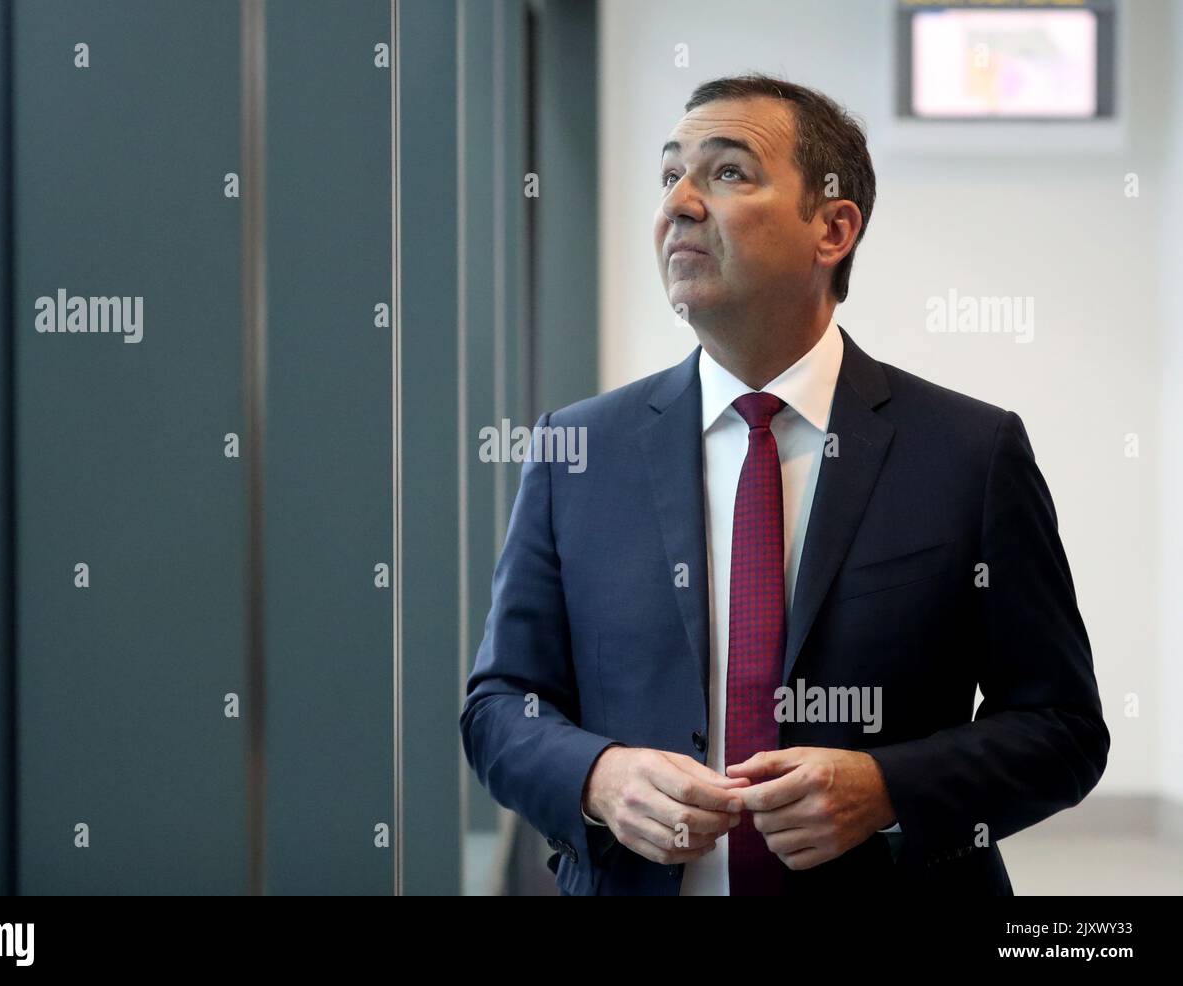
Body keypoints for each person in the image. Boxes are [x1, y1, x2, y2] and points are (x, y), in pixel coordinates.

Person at [459, 73, 1109, 895]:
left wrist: (887, 791)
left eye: (728, 173)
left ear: (833, 228)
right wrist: (600, 777)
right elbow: (500, 706)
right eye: (669, 176)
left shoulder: (971, 452)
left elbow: (1062, 728)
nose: (680, 204)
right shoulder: (578, 449)